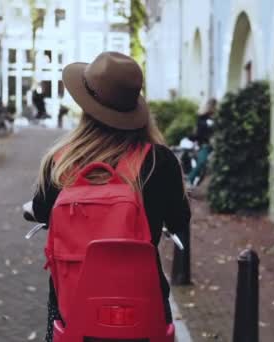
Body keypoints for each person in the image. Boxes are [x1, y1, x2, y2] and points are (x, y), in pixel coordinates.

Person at [31, 52, 191, 342]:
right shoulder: (159, 161)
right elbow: (180, 219)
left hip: (72, 312)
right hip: (144, 308)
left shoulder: (59, 163)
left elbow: (42, 212)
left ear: (85, 108)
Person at [187, 97, 217, 186]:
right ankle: (188, 181)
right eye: (213, 105)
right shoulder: (203, 119)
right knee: (202, 161)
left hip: (216, 146)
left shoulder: (218, 119)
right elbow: (199, 133)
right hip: (205, 145)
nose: (214, 108)